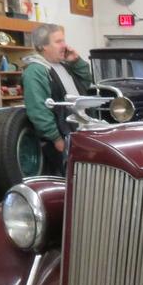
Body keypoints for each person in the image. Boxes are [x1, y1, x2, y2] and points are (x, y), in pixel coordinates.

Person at [22, 23, 92, 175]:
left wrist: (76, 62)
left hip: (77, 135)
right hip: (60, 143)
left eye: (64, 40)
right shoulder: (36, 71)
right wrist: (56, 139)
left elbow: (85, 85)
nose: (64, 45)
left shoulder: (63, 66)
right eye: (58, 41)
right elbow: (38, 109)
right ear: (43, 46)